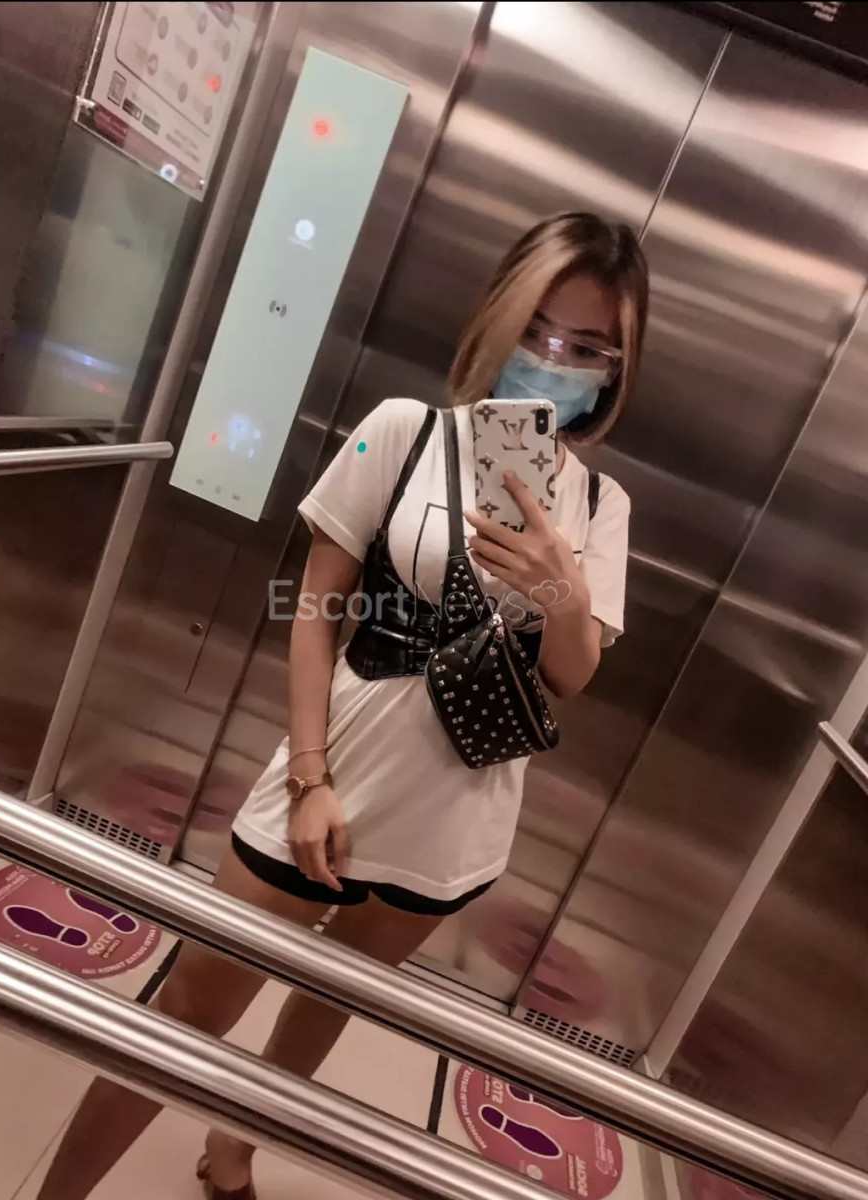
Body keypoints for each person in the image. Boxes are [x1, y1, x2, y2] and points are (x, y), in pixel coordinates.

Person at [35, 211, 649, 1200]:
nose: (552, 360)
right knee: (186, 1014)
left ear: (615, 371)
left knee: (322, 1008)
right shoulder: (401, 432)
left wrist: (556, 587)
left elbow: (569, 678)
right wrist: (309, 779)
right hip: (328, 788)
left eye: (586, 348)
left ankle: (233, 1147)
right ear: (497, 317)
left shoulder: (598, 507)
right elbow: (315, 612)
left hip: (453, 827)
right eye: (537, 329)